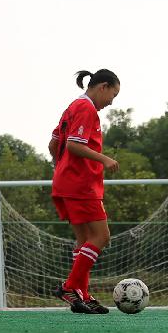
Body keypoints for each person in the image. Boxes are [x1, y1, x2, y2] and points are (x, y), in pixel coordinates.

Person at [48, 69, 120, 314]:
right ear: (102, 86)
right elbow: (74, 145)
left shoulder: (72, 107)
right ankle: (69, 287)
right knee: (101, 237)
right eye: (113, 94)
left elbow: (54, 143)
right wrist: (104, 159)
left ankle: (82, 295)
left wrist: (62, 169)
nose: (111, 101)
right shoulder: (86, 108)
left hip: (66, 182)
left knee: (84, 242)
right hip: (81, 185)